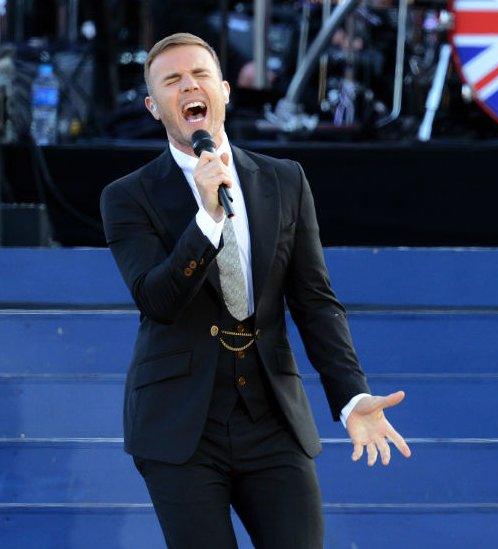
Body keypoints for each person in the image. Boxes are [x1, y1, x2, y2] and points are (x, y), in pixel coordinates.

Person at [100, 33, 411, 548]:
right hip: (179, 426)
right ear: (155, 108)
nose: (189, 86)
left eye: (199, 75)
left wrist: (351, 395)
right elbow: (157, 299)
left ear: (224, 90)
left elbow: (314, 300)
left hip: (271, 418)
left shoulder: (283, 180)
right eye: (172, 81)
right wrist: (206, 218)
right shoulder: (127, 197)